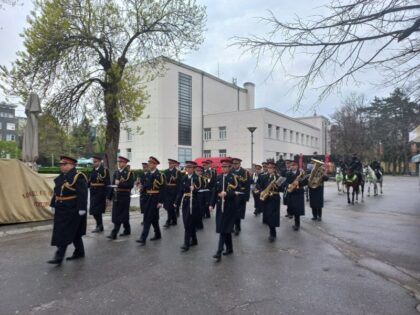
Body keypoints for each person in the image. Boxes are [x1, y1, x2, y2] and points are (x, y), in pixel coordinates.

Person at [48, 156, 88, 265]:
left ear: (71, 165)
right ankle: (80, 251)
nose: (61, 166)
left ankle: (59, 256)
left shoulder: (78, 176)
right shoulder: (62, 177)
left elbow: (82, 194)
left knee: (64, 232)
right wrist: (52, 204)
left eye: (64, 164)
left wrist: (82, 208)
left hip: (72, 208)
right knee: (73, 232)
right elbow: (56, 192)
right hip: (61, 207)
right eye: (61, 164)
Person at [209, 159, 238, 262]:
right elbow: (214, 191)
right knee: (225, 229)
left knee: (223, 229)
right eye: (223, 166)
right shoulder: (218, 177)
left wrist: (227, 194)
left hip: (230, 207)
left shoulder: (234, 178)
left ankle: (219, 251)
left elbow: (238, 191)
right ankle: (229, 248)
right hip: (220, 206)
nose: (224, 168)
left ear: (230, 167)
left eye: (226, 166)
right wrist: (211, 204)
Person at [136, 156, 165, 246]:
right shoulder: (148, 174)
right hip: (147, 198)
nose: (149, 164)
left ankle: (143, 238)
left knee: (147, 218)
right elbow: (146, 186)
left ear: (155, 164)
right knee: (154, 219)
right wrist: (142, 188)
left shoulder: (160, 175)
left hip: (155, 199)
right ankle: (158, 234)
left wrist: (160, 201)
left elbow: (163, 189)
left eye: (151, 163)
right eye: (149, 163)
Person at [175, 161, 202, 251]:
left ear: (193, 169)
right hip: (186, 201)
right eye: (187, 168)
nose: (188, 169)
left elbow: (200, 189)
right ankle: (194, 240)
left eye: (190, 168)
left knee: (188, 222)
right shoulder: (184, 178)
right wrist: (176, 202)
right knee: (188, 222)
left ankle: (186, 243)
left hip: (194, 202)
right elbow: (180, 191)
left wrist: (194, 189)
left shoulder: (197, 178)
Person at [106, 156, 135, 240]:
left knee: (119, 214)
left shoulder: (129, 173)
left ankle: (114, 233)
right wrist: (109, 197)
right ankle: (127, 229)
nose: (120, 163)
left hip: (124, 196)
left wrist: (120, 184)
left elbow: (130, 185)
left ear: (125, 163)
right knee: (120, 214)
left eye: (122, 162)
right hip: (116, 196)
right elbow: (113, 185)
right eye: (119, 162)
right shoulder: (116, 172)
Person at [283, 156, 308, 231]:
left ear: (297, 166)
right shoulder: (288, 173)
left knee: (297, 210)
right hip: (291, 193)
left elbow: (306, 182)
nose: (293, 166)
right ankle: (294, 221)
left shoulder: (301, 173)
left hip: (298, 193)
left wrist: (299, 183)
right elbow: (284, 182)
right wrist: (288, 185)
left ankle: (297, 224)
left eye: (294, 165)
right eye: (292, 165)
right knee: (292, 208)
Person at [261, 161, 282, 242]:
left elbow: (282, 188)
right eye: (268, 168)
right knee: (268, 215)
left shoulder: (278, 177)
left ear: (274, 169)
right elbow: (259, 185)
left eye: (271, 168)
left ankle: (272, 233)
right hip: (266, 198)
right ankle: (271, 230)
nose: (269, 169)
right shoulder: (263, 176)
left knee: (273, 216)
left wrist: (277, 185)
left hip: (274, 198)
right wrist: (261, 191)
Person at [88, 155, 110, 233]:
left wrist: (108, 196)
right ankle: (100, 225)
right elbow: (90, 181)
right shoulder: (93, 170)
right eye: (93, 162)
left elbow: (107, 183)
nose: (94, 163)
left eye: (95, 162)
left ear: (100, 162)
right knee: (93, 211)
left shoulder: (104, 170)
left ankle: (99, 226)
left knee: (97, 211)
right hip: (93, 192)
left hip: (100, 192)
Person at [231, 158, 251, 236]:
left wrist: (247, 196)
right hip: (232, 194)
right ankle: (232, 226)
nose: (235, 165)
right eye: (234, 164)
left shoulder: (244, 172)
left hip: (240, 194)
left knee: (238, 212)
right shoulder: (231, 170)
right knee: (231, 211)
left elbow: (247, 184)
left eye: (236, 164)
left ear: (240, 164)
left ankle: (237, 227)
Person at [163, 159, 181, 228]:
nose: (170, 165)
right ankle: (174, 220)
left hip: (174, 191)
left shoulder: (177, 172)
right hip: (167, 191)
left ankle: (168, 221)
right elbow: (164, 182)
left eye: (171, 163)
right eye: (169, 163)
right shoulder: (165, 171)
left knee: (170, 207)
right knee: (168, 207)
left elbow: (179, 183)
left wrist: (178, 193)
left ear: (174, 164)